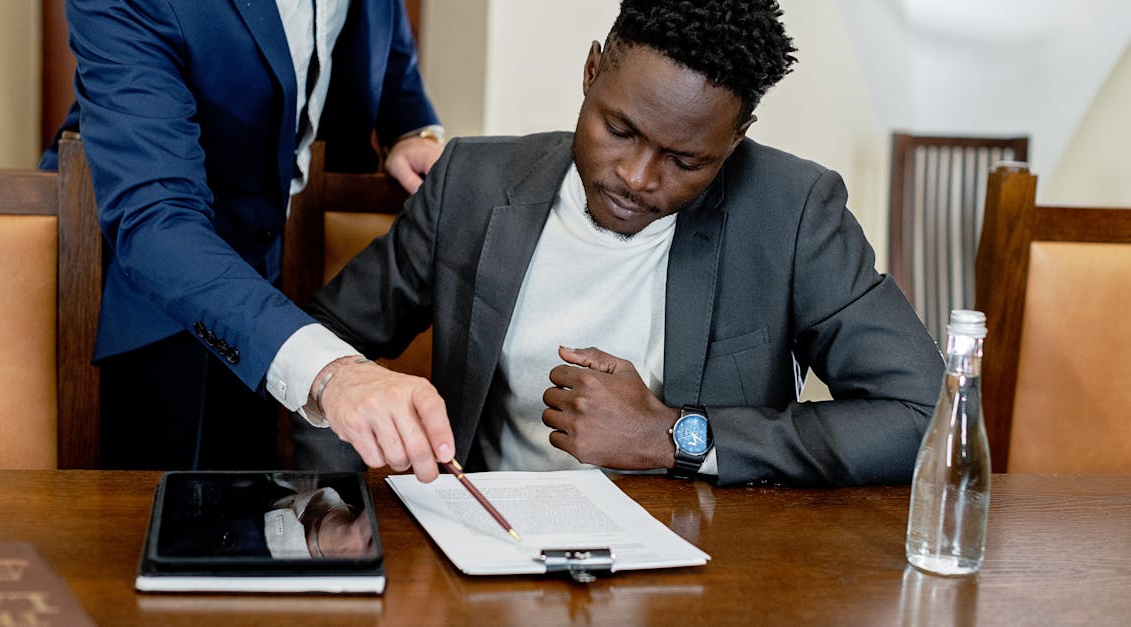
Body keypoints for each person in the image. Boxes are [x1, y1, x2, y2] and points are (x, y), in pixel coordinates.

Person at [297, 0, 945, 487]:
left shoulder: (794, 211)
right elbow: (323, 343)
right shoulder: (470, 184)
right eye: (620, 129)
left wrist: (673, 435)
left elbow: (922, 415)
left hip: (706, 578)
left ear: (737, 136)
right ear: (591, 71)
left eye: (685, 160)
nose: (637, 178)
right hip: (492, 562)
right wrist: (335, 506)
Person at [39, 0, 455, 471]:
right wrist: (329, 375)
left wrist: (410, 127)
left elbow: (383, 37)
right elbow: (157, 216)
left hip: (300, 261)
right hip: (157, 284)